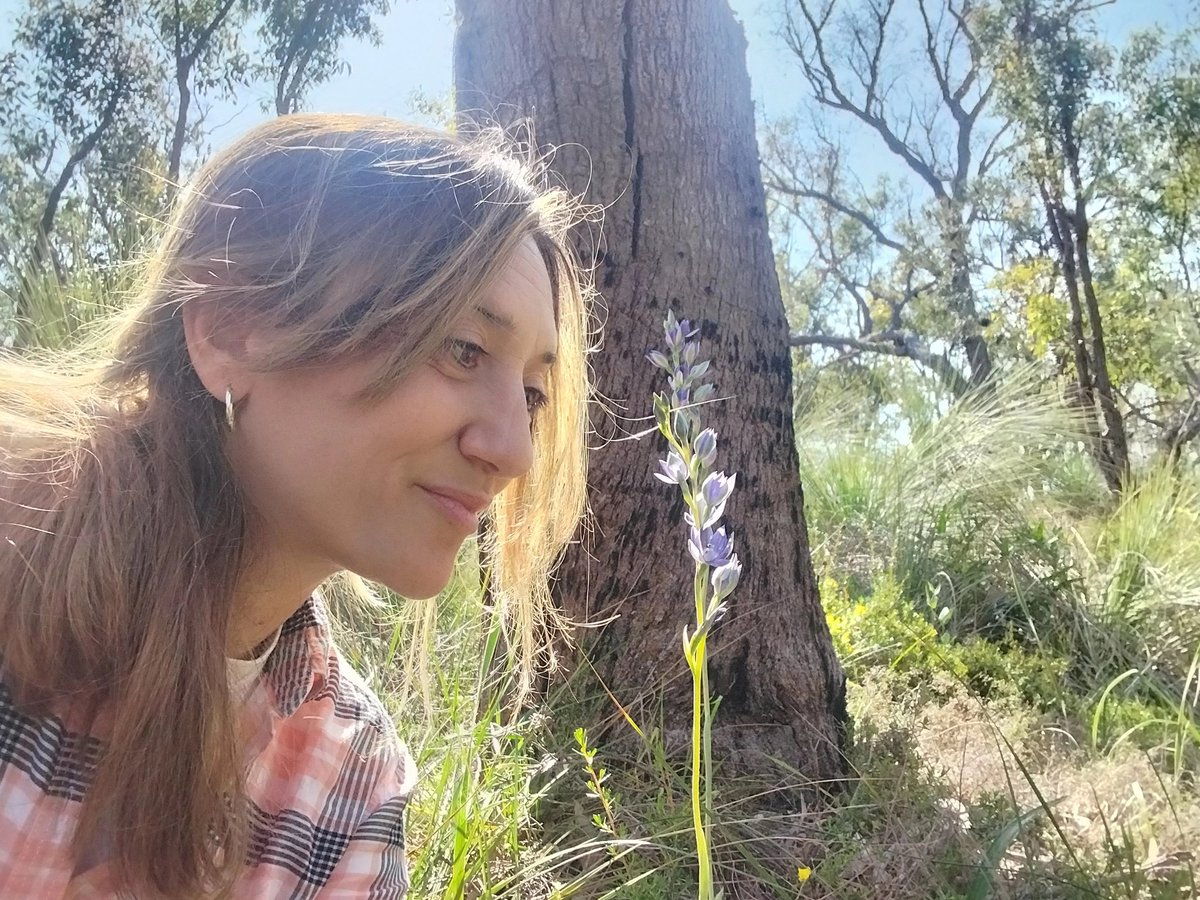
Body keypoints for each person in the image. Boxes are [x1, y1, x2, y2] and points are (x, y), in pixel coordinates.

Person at [0, 114, 591, 898]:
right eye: (461, 349)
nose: (513, 452)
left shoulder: (352, 781)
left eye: (532, 394)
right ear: (231, 327)